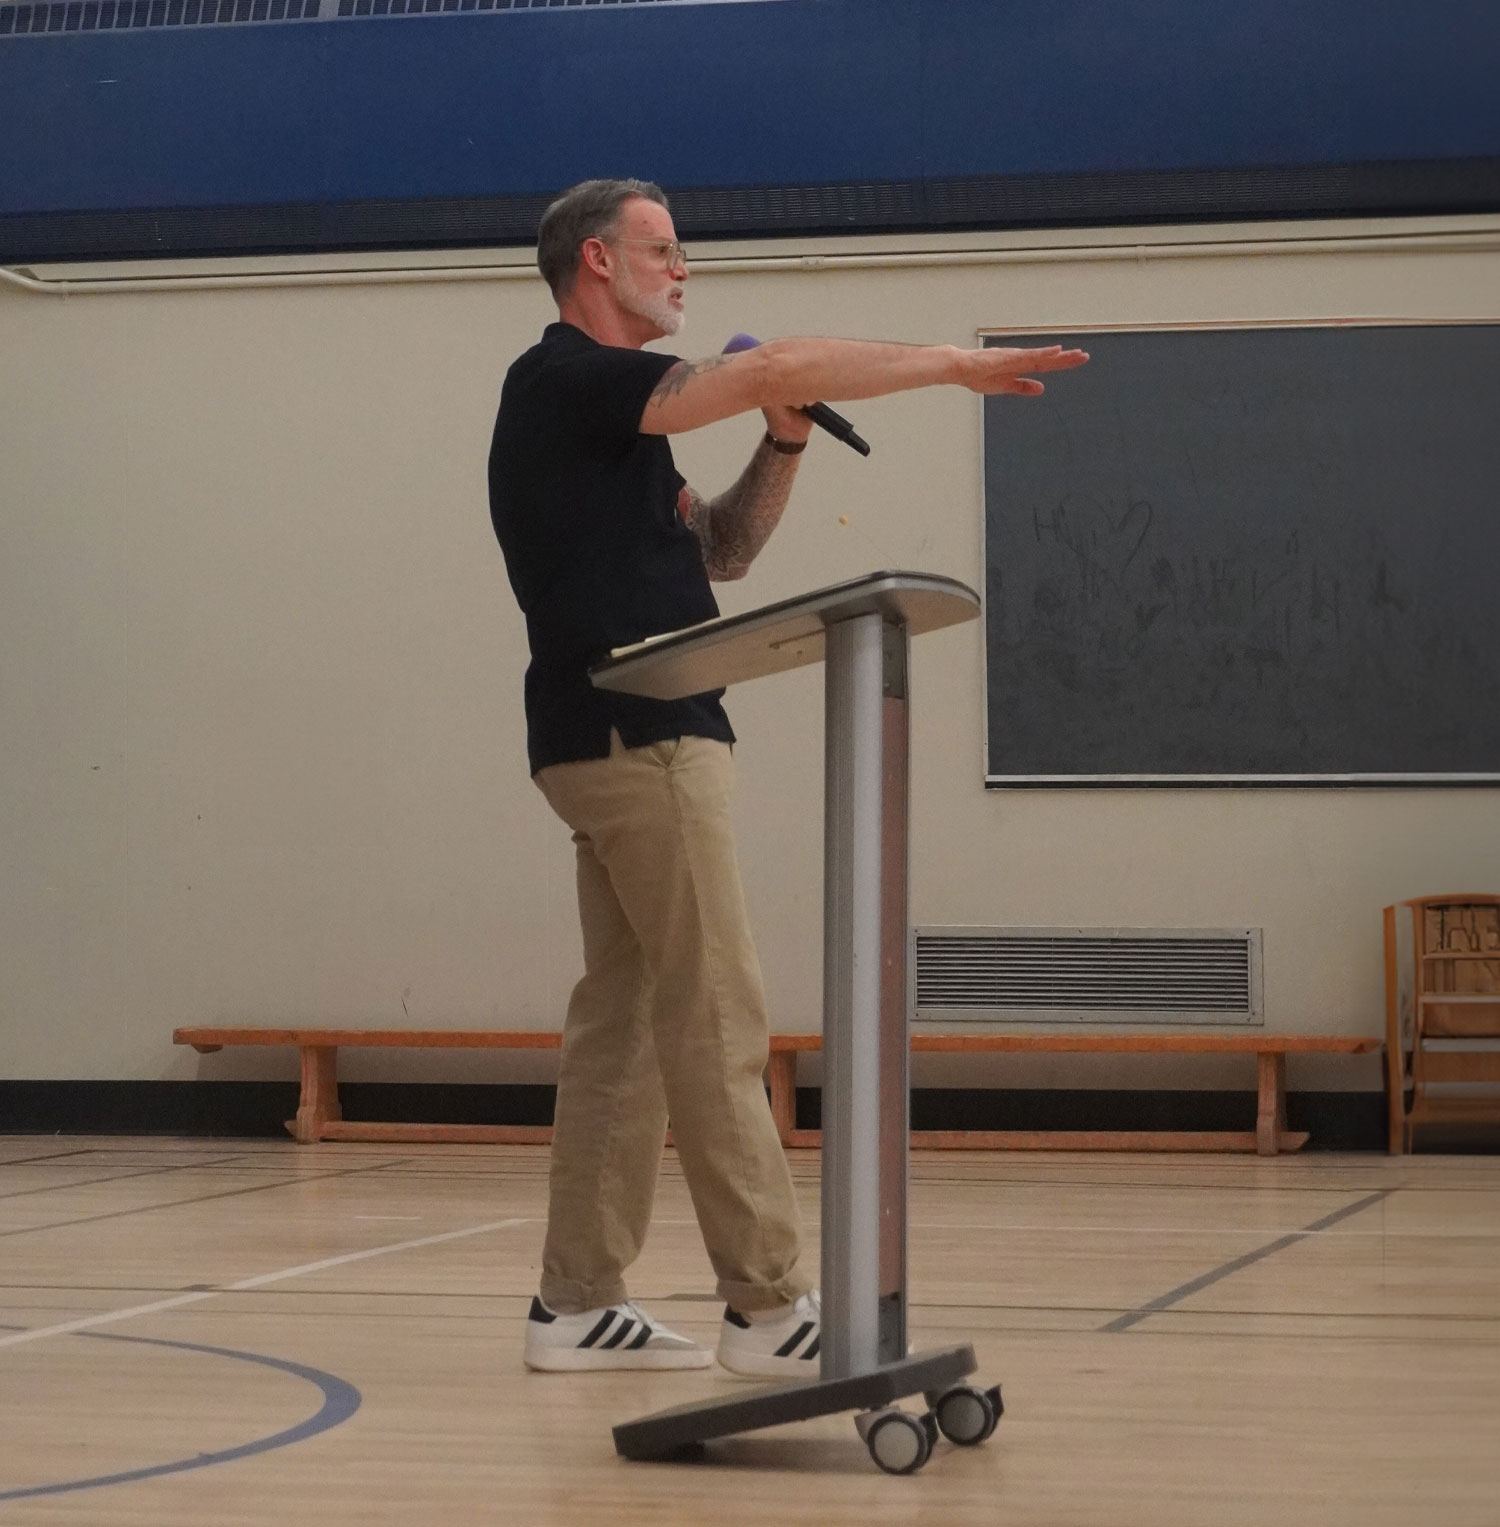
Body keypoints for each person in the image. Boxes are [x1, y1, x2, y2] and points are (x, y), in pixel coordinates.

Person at [488, 177, 1086, 1377]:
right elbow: (774, 362)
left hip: (608, 740)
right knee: (714, 1011)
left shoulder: (616, 426)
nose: (684, 268)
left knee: (625, 1024)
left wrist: (785, 437)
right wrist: (947, 365)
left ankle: (576, 1302)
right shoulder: (566, 379)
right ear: (596, 261)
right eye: (664, 248)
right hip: (641, 739)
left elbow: (723, 551)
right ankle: (767, 1308)